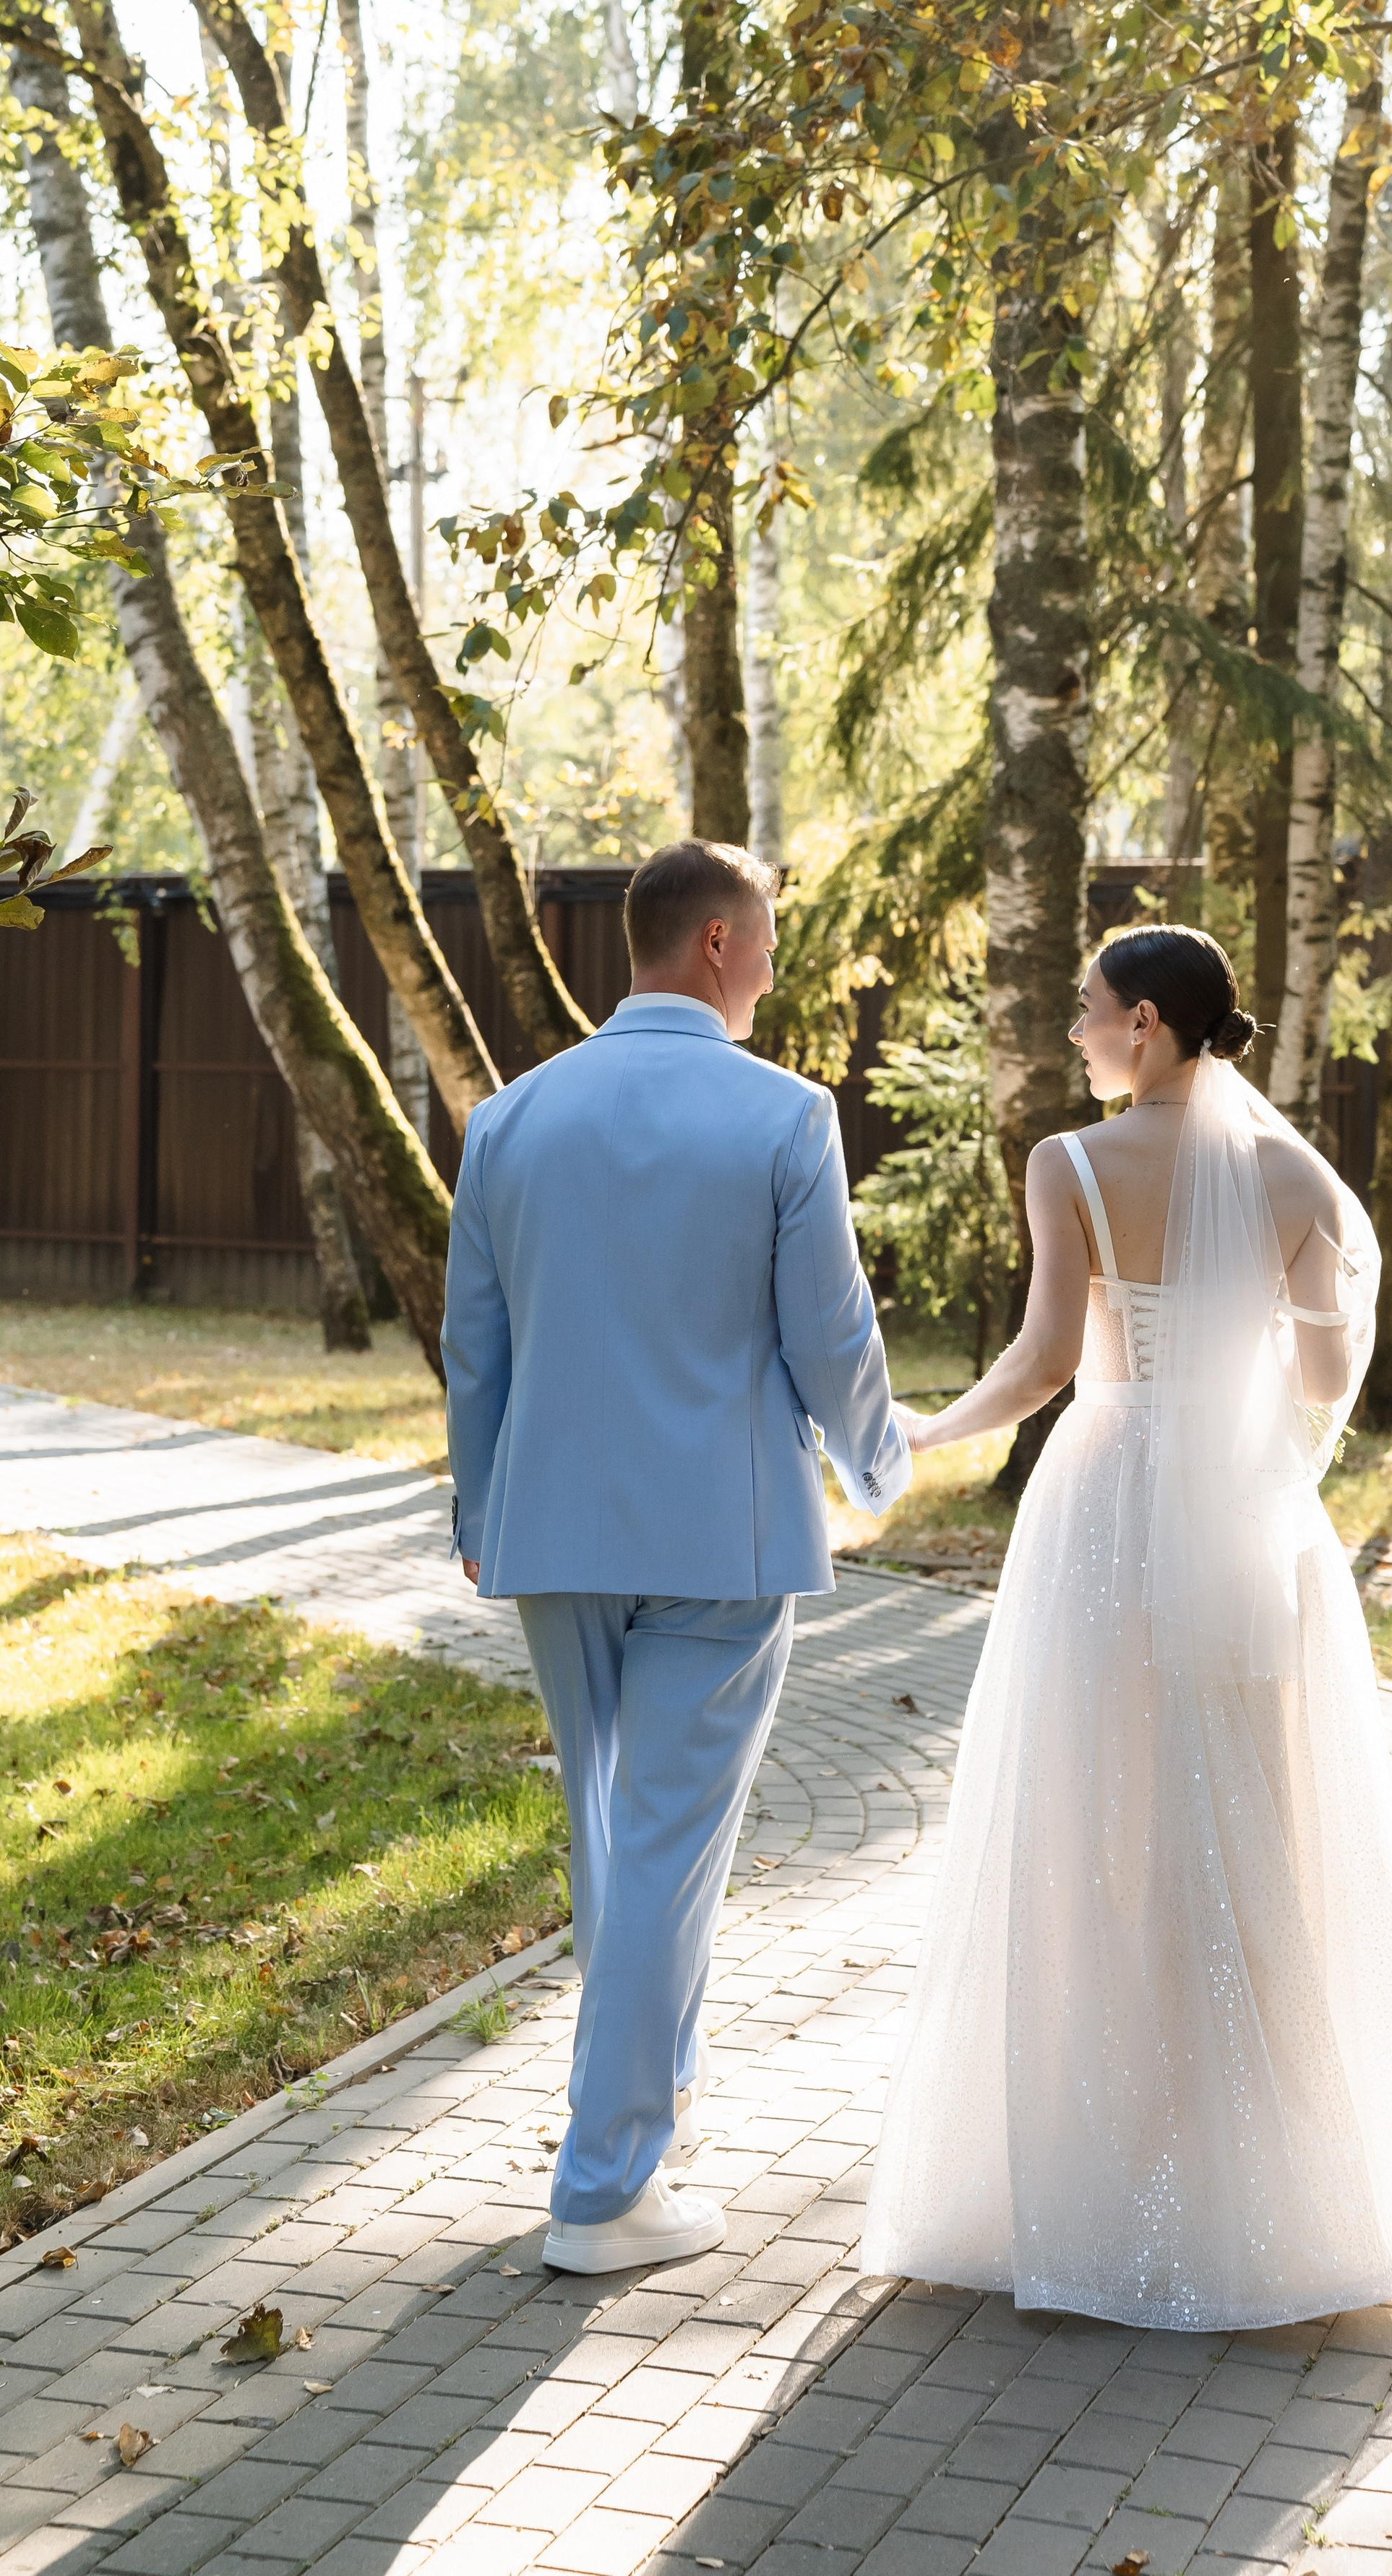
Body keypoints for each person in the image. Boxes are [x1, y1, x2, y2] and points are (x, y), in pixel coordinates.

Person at [863, 923, 1392, 2327]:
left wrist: (924, 1432)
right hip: (1247, 1516)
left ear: (1143, 1023)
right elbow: (1326, 1367)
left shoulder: (1072, 1166)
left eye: (1089, 1015)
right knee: (1256, 1821)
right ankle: (1276, 2182)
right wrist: (1247, 1469)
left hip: (1100, 1516)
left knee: (1096, 1821)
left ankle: (1105, 2171)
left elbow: (1040, 1364)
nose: (1076, 1037)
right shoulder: (1291, 1176)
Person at [443, 839, 909, 2275]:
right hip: (721, 1537)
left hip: (551, 1532)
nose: (771, 967)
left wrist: (479, 1515)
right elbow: (828, 1332)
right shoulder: (782, 1115)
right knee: (658, 1853)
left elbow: (477, 1348)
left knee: (614, 1844)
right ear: (714, 943)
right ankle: (604, 2187)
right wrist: (880, 1468)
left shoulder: (511, 1120)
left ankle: (656, 2118)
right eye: (764, 940)